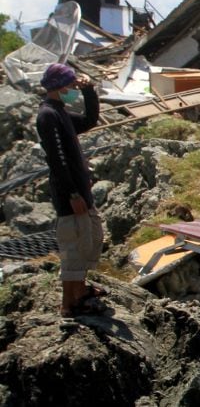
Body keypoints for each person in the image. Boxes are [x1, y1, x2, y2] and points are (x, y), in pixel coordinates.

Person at [35, 63, 106, 318]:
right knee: (73, 246)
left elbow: (88, 120)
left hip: (80, 190)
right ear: (60, 86)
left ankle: (81, 290)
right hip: (70, 194)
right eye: (72, 86)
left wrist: (89, 92)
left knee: (90, 238)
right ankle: (68, 304)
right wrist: (72, 194)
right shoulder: (47, 116)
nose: (74, 89)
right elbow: (57, 159)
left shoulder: (60, 112)